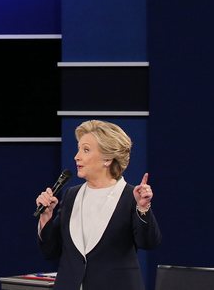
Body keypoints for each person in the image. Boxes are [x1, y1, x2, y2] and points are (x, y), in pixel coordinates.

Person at [35, 120, 161, 290]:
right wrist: (46, 216)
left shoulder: (131, 197)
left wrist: (143, 208)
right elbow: (51, 251)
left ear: (107, 158)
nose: (77, 156)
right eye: (78, 149)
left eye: (86, 150)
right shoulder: (71, 195)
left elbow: (149, 243)